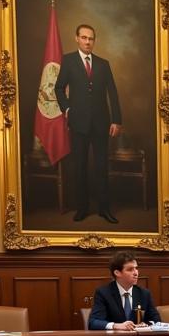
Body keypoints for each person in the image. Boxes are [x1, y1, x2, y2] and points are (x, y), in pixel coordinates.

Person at [54, 23, 122, 224]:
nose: (87, 41)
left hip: (102, 124)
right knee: (80, 167)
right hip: (78, 124)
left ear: (94, 41)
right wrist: (67, 109)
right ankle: (82, 209)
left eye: (91, 38)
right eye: (84, 37)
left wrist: (117, 120)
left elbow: (113, 93)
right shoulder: (68, 61)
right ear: (77, 38)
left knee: (102, 168)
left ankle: (104, 209)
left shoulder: (103, 64)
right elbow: (58, 88)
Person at [88, 251, 161, 331]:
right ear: (117, 273)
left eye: (136, 268)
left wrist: (146, 324)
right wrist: (116, 326)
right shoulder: (103, 293)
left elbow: (156, 320)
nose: (136, 273)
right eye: (130, 269)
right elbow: (93, 322)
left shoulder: (144, 293)